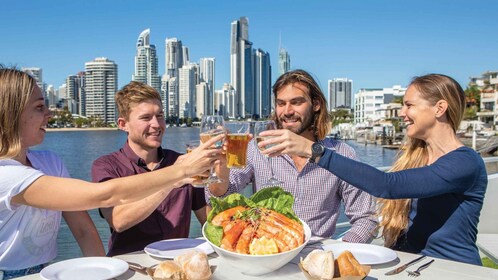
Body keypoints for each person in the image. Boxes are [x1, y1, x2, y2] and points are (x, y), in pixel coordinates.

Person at [0, 67, 223, 277]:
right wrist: (180, 172)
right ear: (12, 114)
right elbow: (105, 195)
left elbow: (84, 230)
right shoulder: (5, 174)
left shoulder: (50, 162)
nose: (49, 113)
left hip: (44, 269)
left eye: (160, 115)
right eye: (39, 107)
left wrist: (104, 272)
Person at [261, 73, 487, 265]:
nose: (401, 113)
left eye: (409, 105)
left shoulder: (464, 163)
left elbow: (387, 186)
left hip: (452, 268)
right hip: (412, 264)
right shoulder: (418, 157)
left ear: (440, 108)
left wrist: (314, 151)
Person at [207, 69, 378, 242]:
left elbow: (366, 219)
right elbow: (220, 195)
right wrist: (221, 166)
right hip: (267, 253)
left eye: (296, 102)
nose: (287, 111)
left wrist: (339, 253)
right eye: (281, 103)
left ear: (316, 104)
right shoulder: (256, 149)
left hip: (316, 254)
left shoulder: (341, 153)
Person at [92, 81, 207, 256]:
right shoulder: (106, 166)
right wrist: (173, 178)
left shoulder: (181, 161)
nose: (156, 124)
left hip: (177, 263)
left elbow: (209, 220)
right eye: (146, 118)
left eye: (160, 116)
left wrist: (222, 169)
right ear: (123, 124)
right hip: (129, 267)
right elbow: (118, 220)